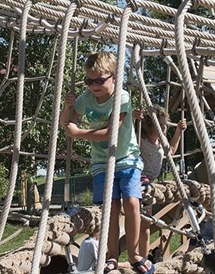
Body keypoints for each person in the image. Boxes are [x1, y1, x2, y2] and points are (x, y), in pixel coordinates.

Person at [60, 52, 154, 274]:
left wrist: (79, 132)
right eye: (89, 81)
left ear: (113, 77)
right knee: (110, 208)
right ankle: (112, 255)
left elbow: (111, 133)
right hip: (102, 162)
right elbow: (66, 123)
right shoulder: (86, 98)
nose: (94, 85)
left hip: (127, 157)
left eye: (99, 80)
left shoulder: (122, 97)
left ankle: (134, 253)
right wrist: (67, 106)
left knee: (131, 202)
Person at [135, 106, 186, 262]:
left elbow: (171, 150)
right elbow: (127, 137)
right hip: (138, 179)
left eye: (165, 124)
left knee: (146, 226)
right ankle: (134, 256)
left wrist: (178, 131)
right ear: (150, 125)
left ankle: (143, 259)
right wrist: (133, 119)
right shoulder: (139, 139)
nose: (164, 128)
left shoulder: (161, 140)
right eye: (161, 125)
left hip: (149, 184)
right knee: (137, 223)